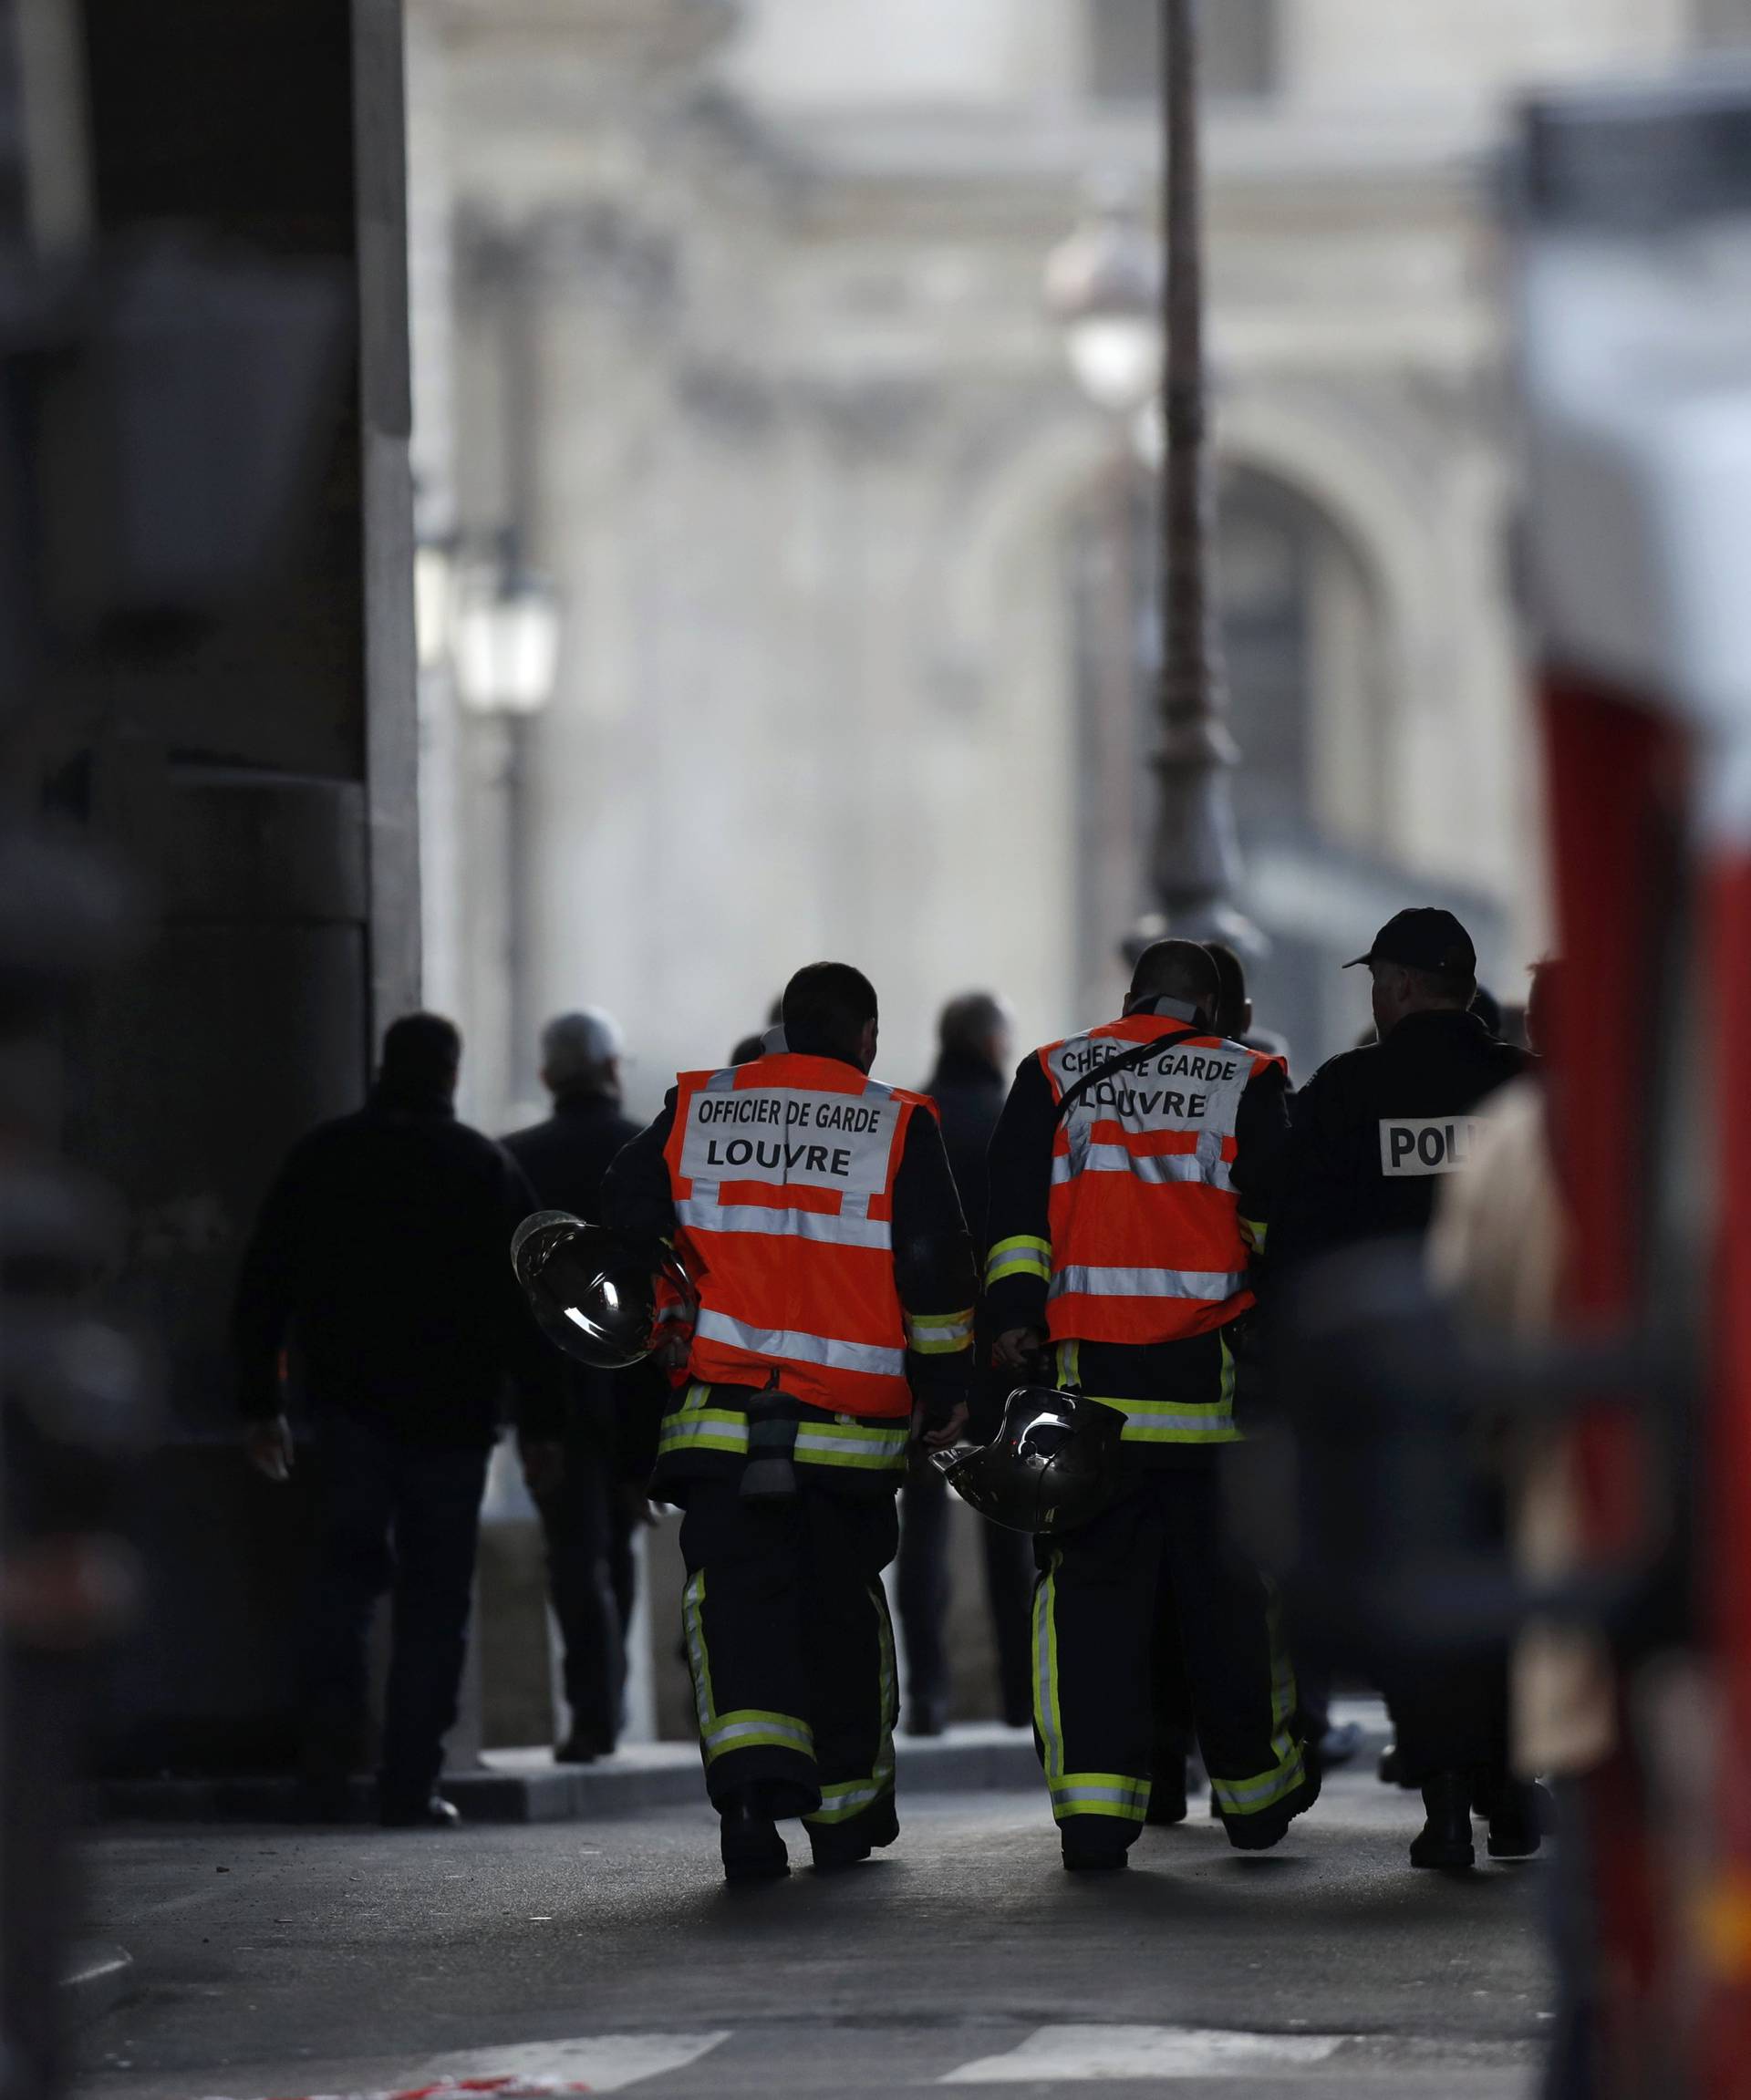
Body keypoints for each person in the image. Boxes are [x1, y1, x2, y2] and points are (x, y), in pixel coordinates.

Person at [601, 961, 976, 1882]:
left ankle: (747, 1802)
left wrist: (668, 1307)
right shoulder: (896, 1120)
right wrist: (944, 1383)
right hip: (844, 1431)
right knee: (839, 1614)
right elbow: (932, 1265)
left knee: (734, 1611)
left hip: (721, 1427)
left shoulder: (700, 1107)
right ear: (867, 1037)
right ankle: (844, 1818)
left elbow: (620, 1205)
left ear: (782, 1028)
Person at [984, 938, 1315, 1870]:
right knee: (1232, 1606)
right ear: (1208, 1006)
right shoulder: (1247, 1077)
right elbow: (1273, 1228)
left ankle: (1095, 1817)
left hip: (1090, 1408)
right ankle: (1256, 1797)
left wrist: (1015, 1320)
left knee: (1089, 1605)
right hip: (1209, 1403)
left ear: (1130, 997)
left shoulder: (1053, 1072)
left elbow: (1014, 1220)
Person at [233, 1014, 564, 1828]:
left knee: (341, 1589)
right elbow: (533, 1311)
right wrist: (541, 1428)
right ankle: (409, 1785)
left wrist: (260, 1403)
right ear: (451, 1074)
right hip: (453, 1422)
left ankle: (324, 1770)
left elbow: (264, 1282)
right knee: (435, 1601)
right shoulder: (485, 1167)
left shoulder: (325, 1155)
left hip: (349, 1413)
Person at [1272, 908, 1531, 1868]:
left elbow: (1297, 1242)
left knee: (1418, 1587)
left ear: (1406, 987)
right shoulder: (1527, 1089)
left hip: (1393, 1396)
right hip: (1517, 1384)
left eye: (1379, 981)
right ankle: (1514, 1789)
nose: (1375, 999)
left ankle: (1448, 1796)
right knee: (1512, 1583)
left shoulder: (1346, 1089)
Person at [503, 1009, 644, 1764]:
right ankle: (609, 1703)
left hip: (551, 1391)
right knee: (618, 1542)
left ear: (548, 1075)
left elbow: (508, 1305)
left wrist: (529, 1418)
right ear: (613, 1069)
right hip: (633, 1390)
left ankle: (591, 1710)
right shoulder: (646, 1147)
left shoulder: (513, 1159)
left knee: (571, 1551)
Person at [897, 992, 1033, 1735]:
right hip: (1003, 1355)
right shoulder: (1013, 1116)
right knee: (1009, 1524)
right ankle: (1020, 1696)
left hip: (923, 1353)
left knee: (922, 1529)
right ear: (990, 1041)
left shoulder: (911, 1118)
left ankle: (928, 1696)